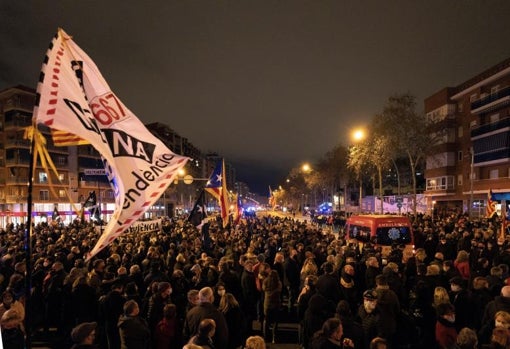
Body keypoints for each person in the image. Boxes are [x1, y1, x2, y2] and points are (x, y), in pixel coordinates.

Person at [262, 269, 282, 343]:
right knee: (275, 321)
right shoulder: (278, 283)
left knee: (266, 320)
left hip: (267, 303)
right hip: (276, 303)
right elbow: (280, 290)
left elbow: (263, 289)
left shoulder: (265, 281)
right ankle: (274, 337)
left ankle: (265, 337)